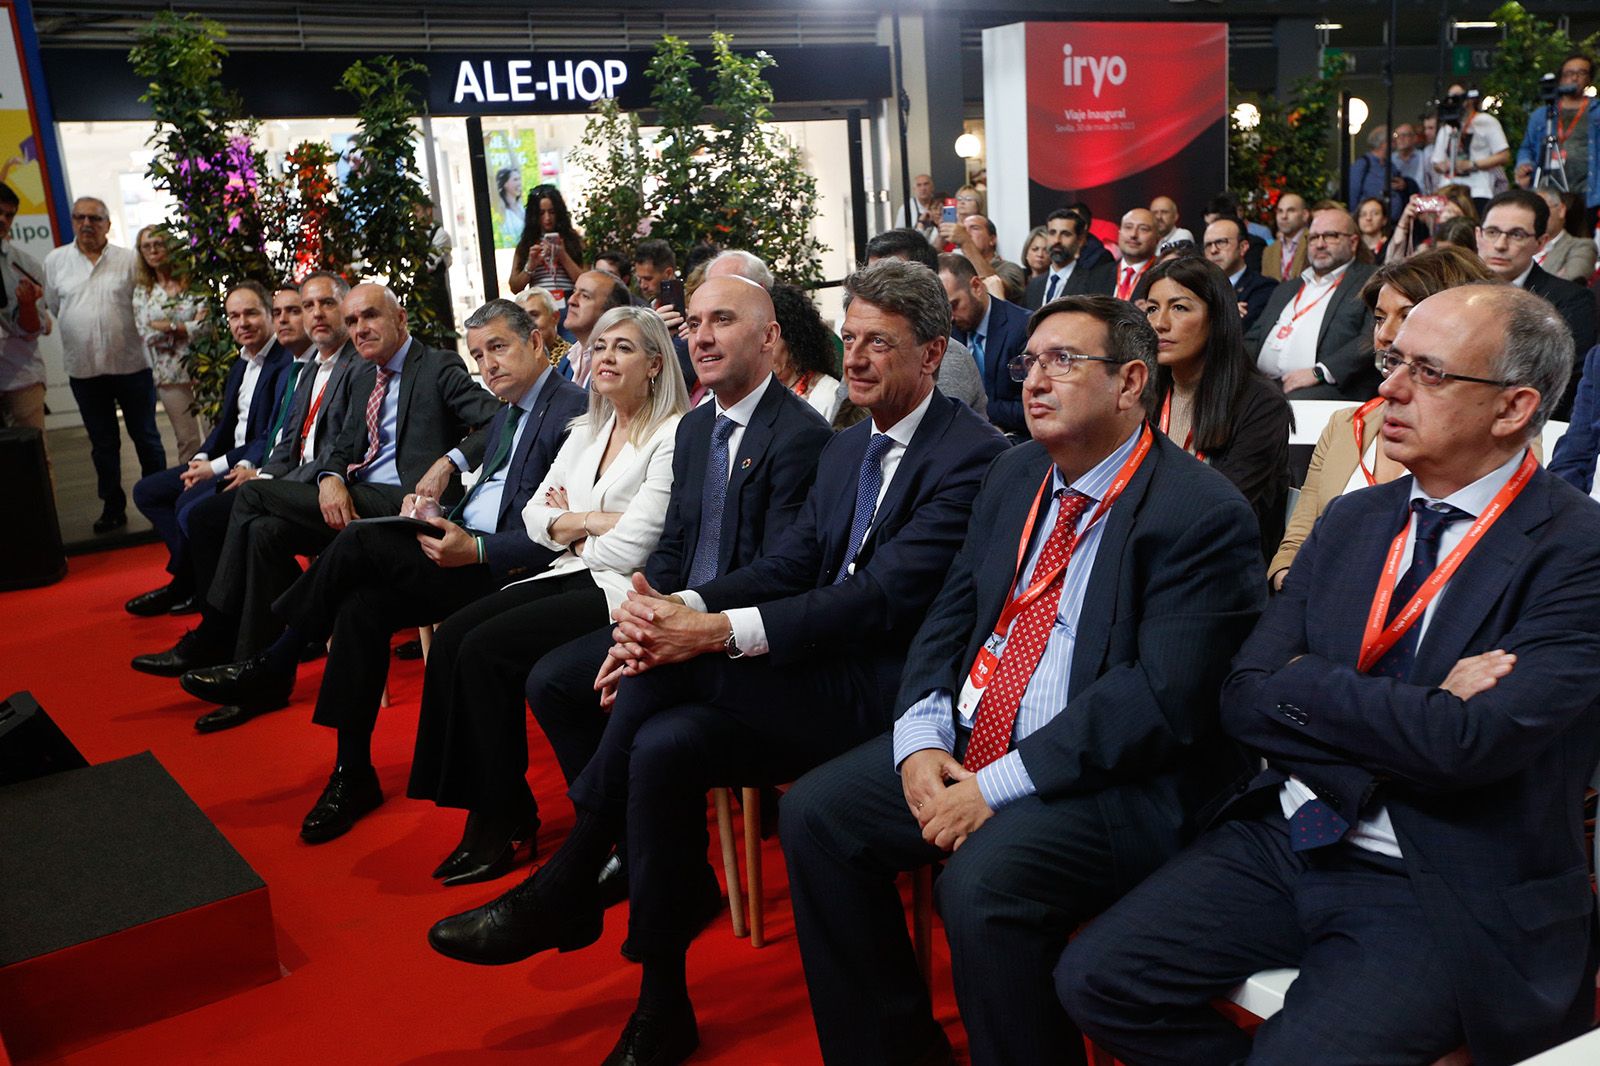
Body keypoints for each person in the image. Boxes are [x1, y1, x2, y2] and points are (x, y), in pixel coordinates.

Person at [422, 259, 1008, 1066]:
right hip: (810, 672)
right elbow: (789, 566)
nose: (859, 359)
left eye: (881, 343)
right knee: (662, 746)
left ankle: (574, 874)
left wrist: (707, 634)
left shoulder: (973, 454)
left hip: (891, 695)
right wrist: (678, 613)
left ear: (934, 353)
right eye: (851, 340)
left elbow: (877, 601)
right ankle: (662, 1002)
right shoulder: (848, 448)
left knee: (666, 667)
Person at [1059, 282, 1600, 1066]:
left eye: (1430, 372)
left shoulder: (1577, 551)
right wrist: (1418, 710)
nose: (1389, 388)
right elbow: (1244, 697)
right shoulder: (1356, 518)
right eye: (1392, 361)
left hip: (1441, 881)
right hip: (1297, 834)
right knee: (1097, 979)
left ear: (1514, 408)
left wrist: (1309, 686)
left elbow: (1469, 747)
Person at [782, 293, 1265, 1066]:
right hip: (977, 734)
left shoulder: (1199, 512)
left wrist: (993, 786)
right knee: (818, 814)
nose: (1035, 380)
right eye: (1029, 361)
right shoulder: (1015, 474)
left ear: (1131, 381)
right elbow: (950, 615)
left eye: (1064, 362)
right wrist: (918, 741)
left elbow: (1159, 702)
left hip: (1120, 779)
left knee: (981, 886)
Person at [417, 276, 831, 891]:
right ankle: (629, 852)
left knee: (550, 676)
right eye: (695, 321)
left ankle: (607, 860)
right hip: (651, 594)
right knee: (519, 663)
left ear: (770, 337)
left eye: (723, 320)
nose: (705, 337)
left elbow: (779, 570)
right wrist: (647, 605)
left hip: (730, 626)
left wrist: (662, 608)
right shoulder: (697, 428)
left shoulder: (797, 433)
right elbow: (663, 546)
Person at [183, 299, 590, 843]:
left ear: (536, 344)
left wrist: (475, 540)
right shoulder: (513, 408)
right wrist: (436, 506)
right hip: (456, 536)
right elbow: (475, 481)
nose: (488, 364)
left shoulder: (569, 410)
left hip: (496, 564)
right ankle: (352, 773)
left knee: (352, 539)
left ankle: (276, 659)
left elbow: (560, 532)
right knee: (359, 606)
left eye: (499, 348)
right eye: (478, 354)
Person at [404, 304, 690, 882]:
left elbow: (634, 546)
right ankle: (492, 807)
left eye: (624, 348)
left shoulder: (676, 433)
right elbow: (536, 514)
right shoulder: (588, 427)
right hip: (567, 570)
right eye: (602, 346)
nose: (605, 357)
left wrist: (575, 525)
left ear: (656, 364)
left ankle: (504, 817)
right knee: (458, 635)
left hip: (617, 588)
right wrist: (594, 521)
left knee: (486, 651)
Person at [131, 284, 502, 728]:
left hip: (405, 503)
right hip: (355, 499)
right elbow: (343, 445)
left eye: (370, 317)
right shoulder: (365, 373)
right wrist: (329, 479)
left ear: (400, 319)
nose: (360, 329)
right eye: (353, 322)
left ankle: (217, 630)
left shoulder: (437, 365)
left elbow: (498, 419)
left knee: (250, 495)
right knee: (264, 532)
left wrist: (448, 462)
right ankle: (261, 680)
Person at [156, 273, 362, 662]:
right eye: (306, 307)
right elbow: (285, 444)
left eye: (326, 304)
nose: (313, 315)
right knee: (250, 527)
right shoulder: (308, 368)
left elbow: (340, 450)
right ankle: (263, 645)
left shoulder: (358, 366)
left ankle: (216, 631)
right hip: (288, 481)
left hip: (327, 487)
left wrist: (265, 480)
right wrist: (267, 475)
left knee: (213, 514)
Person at [1269, 245, 1495, 590]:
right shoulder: (1345, 426)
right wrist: (1292, 584)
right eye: (1379, 318)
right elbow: (1295, 542)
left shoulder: (1488, 435)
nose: (1384, 334)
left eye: (1407, 315)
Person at [126, 282, 293, 617]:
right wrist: (200, 459)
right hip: (224, 459)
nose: (242, 323)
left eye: (250, 313)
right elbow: (224, 425)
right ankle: (189, 579)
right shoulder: (242, 362)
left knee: (191, 509)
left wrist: (215, 468)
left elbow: (269, 436)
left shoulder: (286, 363)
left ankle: (199, 592)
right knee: (148, 491)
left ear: (269, 315)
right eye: (234, 316)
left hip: (252, 465)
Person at [1135, 256, 1292, 557]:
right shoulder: (1144, 393)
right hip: (1148, 552)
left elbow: (1225, 510)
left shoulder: (1262, 405)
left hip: (1218, 562)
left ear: (1217, 317)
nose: (1159, 323)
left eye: (1179, 307)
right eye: (1152, 308)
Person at [45, 195, 164, 534]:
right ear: (73, 221)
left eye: (95, 219)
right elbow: (56, 307)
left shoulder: (130, 261)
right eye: (80, 217)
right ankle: (113, 508)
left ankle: (157, 503)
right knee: (103, 444)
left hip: (132, 366)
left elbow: (145, 304)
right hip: (84, 371)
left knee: (147, 438)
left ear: (108, 225)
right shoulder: (55, 261)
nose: (86, 224)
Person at [1478, 189, 1597, 417]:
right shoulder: (1453, 292)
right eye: (1492, 232)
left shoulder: (1571, 301)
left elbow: (1569, 380)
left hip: (1533, 422)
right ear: (1478, 235)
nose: (1500, 245)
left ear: (1541, 243)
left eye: (1517, 235)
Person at [853, 228, 988, 424]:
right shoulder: (858, 350)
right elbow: (843, 422)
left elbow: (933, 438)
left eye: (892, 278)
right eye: (872, 276)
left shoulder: (949, 357)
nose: (877, 288)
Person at [1248, 204, 1379, 400]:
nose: (1320, 244)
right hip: (1265, 383)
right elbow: (1253, 338)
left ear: (1353, 243)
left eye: (1330, 236)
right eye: (1314, 237)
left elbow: (1374, 337)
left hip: (1328, 386)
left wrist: (1320, 371)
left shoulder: (1371, 280)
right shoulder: (1286, 289)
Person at [131, 225, 204, 462]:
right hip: (169, 374)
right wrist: (186, 326)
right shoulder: (143, 292)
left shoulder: (193, 282)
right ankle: (193, 493)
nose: (153, 250)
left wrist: (168, 326)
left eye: (158, 244)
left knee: (217, 432)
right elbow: (147, 335)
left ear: (170, 246)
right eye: (146, 246)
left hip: (205, 367)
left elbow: (206, 327)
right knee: (187, 440)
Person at [939, 252, 1027, 435]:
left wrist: (977, 410)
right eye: (943, 310)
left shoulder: (1022, 328)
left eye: (954, 305)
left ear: (977, 287)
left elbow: (1030, 406)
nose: (950, 318)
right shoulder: (947, 334)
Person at [1515, 53, 1598, 214]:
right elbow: (1526, 147)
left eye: (1581, 73)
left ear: (1589, 79)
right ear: (1560, 78)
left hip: (1589, 192)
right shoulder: (1541, 115)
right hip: (1548, 192)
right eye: (1569, 73)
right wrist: (1523, 165)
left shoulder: (1597, 112)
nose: (1574, 78)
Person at [0, 182, 47, 432]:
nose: (3, 220)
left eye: (9, 215)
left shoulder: (25, 265)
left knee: (34, 461)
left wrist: (27, 305)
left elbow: (33, 329)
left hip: (20, 375)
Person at [769, 282, 842, 422]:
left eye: (771, 339)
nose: (762, 350)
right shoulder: (762, 395)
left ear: (795, 340)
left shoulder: (827, 397)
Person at [1431, 85, 1511, 211]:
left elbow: (1504, 156)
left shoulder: (1486, 121)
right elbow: (1436, 163)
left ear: (1468, 99)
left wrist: (1473, 164)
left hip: (1479, 189)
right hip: (1449, 188)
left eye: (1458, 97)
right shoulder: (1446, 127)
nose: (1454, 101)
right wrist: (1445, 166)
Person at [552, 270, 630, 386]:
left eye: (585, 296)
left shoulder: (618, 366)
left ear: (611, 312)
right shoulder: (567, 359)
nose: (571, 300)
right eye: (574, 291)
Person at [1026, 209, 1115, 309]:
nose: (1057, 240)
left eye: (1065, 234)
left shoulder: (1092, 284)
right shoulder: (1034, 285)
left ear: (1080, 240)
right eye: (1052, 232)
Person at [507, 184, 584, 298]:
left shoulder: (575, 241)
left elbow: (585, 280)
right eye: (541, 213)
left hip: (570, 300)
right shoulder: (526, 245)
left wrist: (563, 256)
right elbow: (515, 287)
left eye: (552, 212)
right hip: (540, 302)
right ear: (534, 215)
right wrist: (530, 265)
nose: (547, 218)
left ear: (559, 213)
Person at [1202, 215, 1277, 331]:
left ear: (1243, 247)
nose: (1213, 250)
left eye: (1221, 242)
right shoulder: (1199, 289)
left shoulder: (1264, 287)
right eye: (1208, 245)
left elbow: (1245, 331)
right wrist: (1226, 312)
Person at [1386, 183, 1480, 262]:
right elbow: (1391, 265)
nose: (1443, 218)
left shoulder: (1478, 246)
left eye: (1451, 213)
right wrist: (1404, 222)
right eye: (1438, 211)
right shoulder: (1425, 248)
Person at [1348, 126, 1417, 218]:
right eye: (1393, 141)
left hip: (1391, 222)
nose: (1396, 143)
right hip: (1369, 220)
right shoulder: (1363, 164)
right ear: (1383, 143)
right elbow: (1352, 192)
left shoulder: (1391, 165)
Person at [1533, 187, 1597, 281]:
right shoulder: (1520, 244)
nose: (1534, 215)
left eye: (1540, 209)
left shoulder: (1581, 246)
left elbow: (1567, 285)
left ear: (1561, 210)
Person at [513, 285, 570, 368]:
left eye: (534, 315)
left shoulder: (572, 359)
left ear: (555, 317)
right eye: (521, 317)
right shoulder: (513, 360)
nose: (526, 322)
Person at [1112, 208, 1159, 299]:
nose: (1133, 235)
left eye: (1143, 229)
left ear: (1157, 238)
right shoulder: (1098, 274)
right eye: (1128, 227)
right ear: (1119, 232)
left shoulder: (1162, 275)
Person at [1262, 193, 1310, 281]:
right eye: (1280, 211)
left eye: (1291, 210)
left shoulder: (1314, 243)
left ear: (1305, 215)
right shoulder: (1269, 251)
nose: (1284, 216)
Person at [898, 172, 939, 243]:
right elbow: (898, 233)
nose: (923, 188)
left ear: (932, 187)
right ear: (914, 189)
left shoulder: (939, 205)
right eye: (919, 185)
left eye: (926, 184)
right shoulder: (907, 207)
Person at [632, 239, 676, 303]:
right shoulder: (650, 305)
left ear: (668, 273)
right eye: (639, 278)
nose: (643, 285)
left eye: (648, 279)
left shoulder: (691, 304)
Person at [494, 167, 525, 246]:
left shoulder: (521, 206)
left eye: (519, 179)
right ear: (505, 184)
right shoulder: (501, 210)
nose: (519, 183)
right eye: (515, 179)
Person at [1355, 196, 1392, 261]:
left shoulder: (1391, 246)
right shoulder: (1353, 247)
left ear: (1384, 220)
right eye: (1363, 214)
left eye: (1375, 213)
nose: (1368, 218)